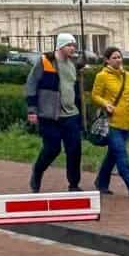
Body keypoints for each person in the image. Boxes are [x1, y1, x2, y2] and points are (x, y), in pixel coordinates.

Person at [25, 34, 84, 192]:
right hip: (49, 114)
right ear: (60, 46)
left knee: (74, 149)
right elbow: (31, 84)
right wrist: (32, 110)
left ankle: (73, 184)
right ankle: (37, 171)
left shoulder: (72, 65)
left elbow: (74, 88)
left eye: (74, 45)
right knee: (52, 148)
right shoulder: (45, 62)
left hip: (71, 115)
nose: (73, 48)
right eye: (70, 45)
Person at [89, 46, 129, 198]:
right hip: (111, 123)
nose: (118, 60)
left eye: (119, 57)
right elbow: (95, 95)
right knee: (121, 155)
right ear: (107, 60)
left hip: (126, 122)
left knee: (112, 156)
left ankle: (101, 183)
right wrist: (105, 103)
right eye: (114, 57)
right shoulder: (102, 76)